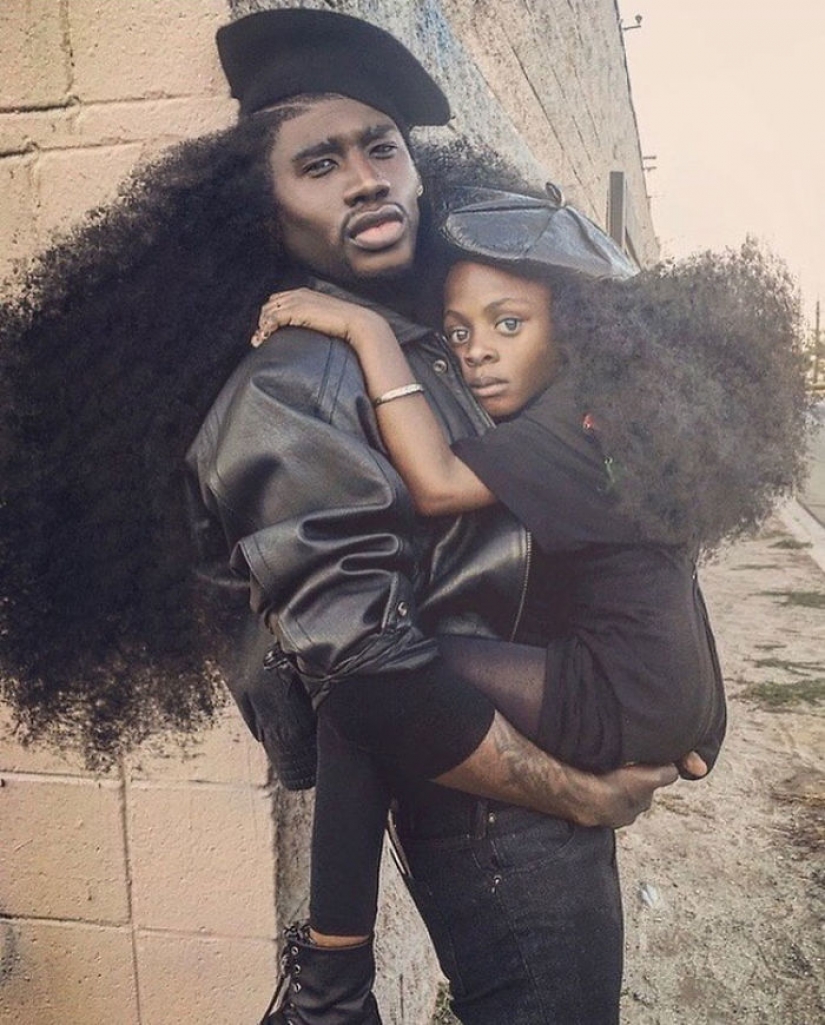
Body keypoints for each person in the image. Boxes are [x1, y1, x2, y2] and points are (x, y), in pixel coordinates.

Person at [0, 8, 806, 1025]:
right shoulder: (288, 393)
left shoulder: (448, 332)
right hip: (495, 818)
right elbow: (364, 672)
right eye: (321, 163)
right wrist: (574, 790)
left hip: (552, 745)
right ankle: (328, 976)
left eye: (382, 146)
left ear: (422, 171)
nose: (366, 176)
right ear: (266, 209)